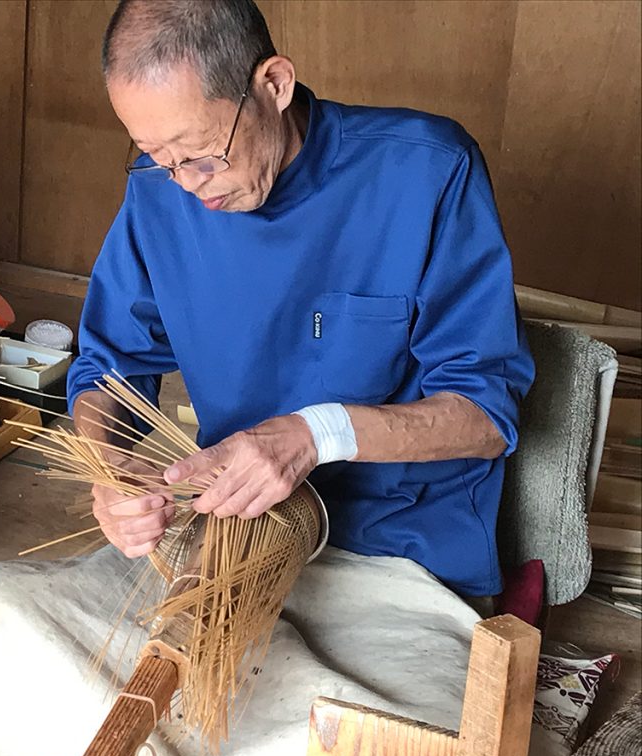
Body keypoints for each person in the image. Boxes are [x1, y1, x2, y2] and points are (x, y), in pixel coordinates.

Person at [66, 0, 534, 598]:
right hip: (236, 527)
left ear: (274, 84)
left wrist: (316, 434)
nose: (186, 183)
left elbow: (485, 415)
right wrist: (108, 471)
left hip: (401, 547)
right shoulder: (161, 190)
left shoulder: (427, 172)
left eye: (204, 155)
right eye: (158, 156)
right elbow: (108, 369)